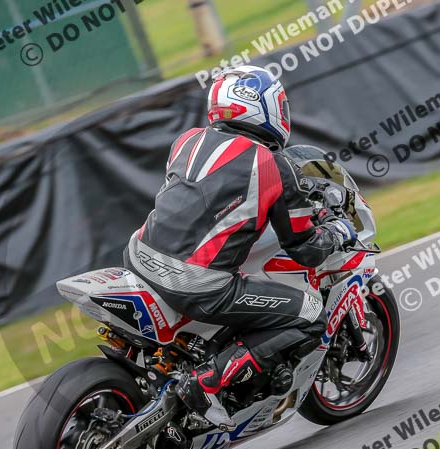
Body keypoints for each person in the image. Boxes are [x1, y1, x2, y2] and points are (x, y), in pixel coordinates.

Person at [124, 66, 356, 427]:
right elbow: (304, 248)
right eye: (280, 104)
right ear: (263, 107)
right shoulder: (273, 165)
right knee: (311, 314)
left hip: (138, 257)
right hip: (196, 284)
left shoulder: (187, 140)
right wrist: (337, 231)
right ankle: (207, 382)